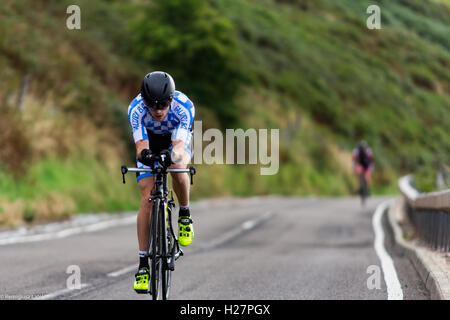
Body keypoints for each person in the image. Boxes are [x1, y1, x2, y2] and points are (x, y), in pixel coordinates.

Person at [127, 71, 195, 293]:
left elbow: (178, 147)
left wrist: (170, 156)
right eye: (152, 105)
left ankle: (184, 215)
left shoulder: (185, 108)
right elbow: (141, 147)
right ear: (144, 101)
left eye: (163, 105)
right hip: (149, 143)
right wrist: (146, 156)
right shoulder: (135, 109)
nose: (158, 111)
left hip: (175, 141)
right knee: (147, 199)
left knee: (176, 166)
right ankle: (143, 264)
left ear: (171, 100)